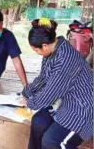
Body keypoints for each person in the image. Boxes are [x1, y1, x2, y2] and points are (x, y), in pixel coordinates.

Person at [21, 18, 93, 149]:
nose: (38, 53)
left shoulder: (66, 60)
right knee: (38, 122)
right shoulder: (51, 52)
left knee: (52, 142)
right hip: (63, 102)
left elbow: (49, 93)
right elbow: (43, 77)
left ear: (45, 45)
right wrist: (26, 92)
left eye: (36, 50)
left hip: (82, 108)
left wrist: (30, 103)